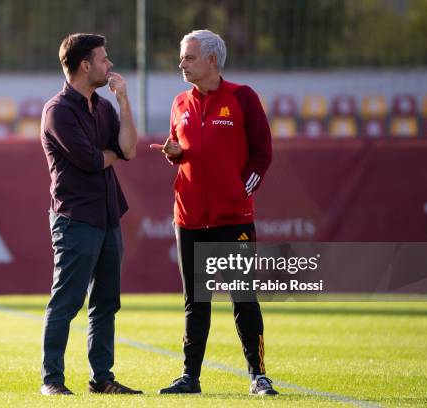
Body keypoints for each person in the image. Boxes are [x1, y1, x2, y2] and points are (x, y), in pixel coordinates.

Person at [149, 29, 278, 396]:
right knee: (195, 302)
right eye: (182, 57)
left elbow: (262, 153)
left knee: (243, 298)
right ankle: (190, 377)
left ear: (211, 60)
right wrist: (175, 153)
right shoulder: (179, 102)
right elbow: (185, 151)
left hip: (232, 219)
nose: (182, 63)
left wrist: (242, 189)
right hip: (188, 218)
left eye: (188, 57)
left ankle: (258, 376)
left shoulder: (243, 98)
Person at [39, 33, 141, 396]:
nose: (109, 64)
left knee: (106, 303)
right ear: (85, 65)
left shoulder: (104, 106)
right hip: (75, 218)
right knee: (66, 301)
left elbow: (128, 149)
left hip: (108, 215)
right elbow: (92, 160)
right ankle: (52, 380)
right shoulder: (58, 111)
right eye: (103, 58)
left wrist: (124, 100)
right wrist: (109, 154)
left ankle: (103, 379)